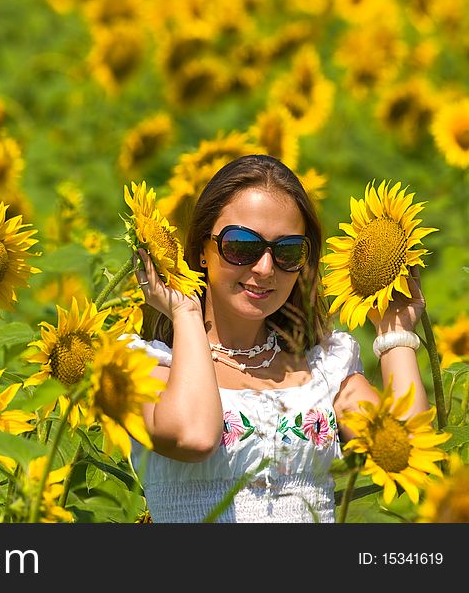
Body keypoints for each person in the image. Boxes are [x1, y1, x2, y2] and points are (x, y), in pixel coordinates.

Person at [126, 154, 428, 522]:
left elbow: (407, 448)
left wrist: (395, 332)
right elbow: (194, 436)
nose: (265, 268)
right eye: (241, 246)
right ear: (203, 251)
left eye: (287, 251)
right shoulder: (146, 368)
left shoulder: (323, 373)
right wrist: (185, 311)